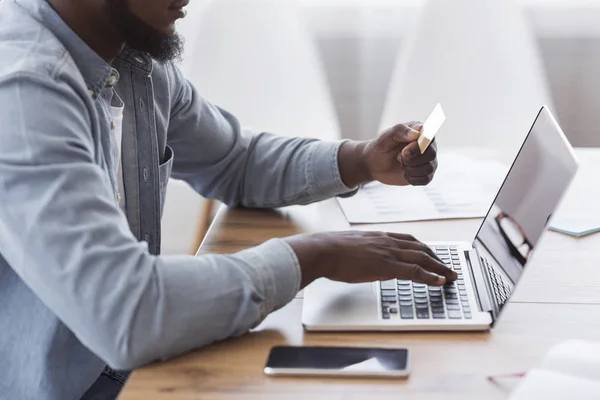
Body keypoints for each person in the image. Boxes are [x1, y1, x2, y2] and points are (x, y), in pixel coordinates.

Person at [0, 0, 456, 399]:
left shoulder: (134, 60)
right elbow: (129, 312)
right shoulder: (24, 92)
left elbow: (235, 160)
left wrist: (360, 160)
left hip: (133, 371)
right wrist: (316, 256)